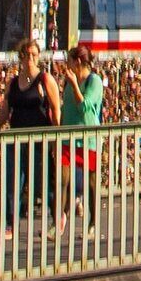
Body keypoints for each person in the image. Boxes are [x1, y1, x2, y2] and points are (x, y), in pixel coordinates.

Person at [0, 40, 62, 226]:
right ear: (21, 57)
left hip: (39, 140)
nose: (30, 58)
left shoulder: (45, 80)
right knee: (12, 182)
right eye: (27, 54)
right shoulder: (13, 83)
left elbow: (55, 109)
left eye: (34, 55)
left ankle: (57, 216)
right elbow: (5, 110)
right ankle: (10, 223)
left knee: (42, 183)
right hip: (16, 139)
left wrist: (57, 137)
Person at [57, 44, 106, 228]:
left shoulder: (94, 81)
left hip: (88, 138)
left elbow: (85, 106)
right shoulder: (69, 82)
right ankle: (58, 220)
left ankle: (93, 222)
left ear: (77, 62)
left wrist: (75, 86)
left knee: (91, 183)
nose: (67, 65)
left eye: (69, 61)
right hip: (68, 138)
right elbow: (66, 107)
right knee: (63, 179)